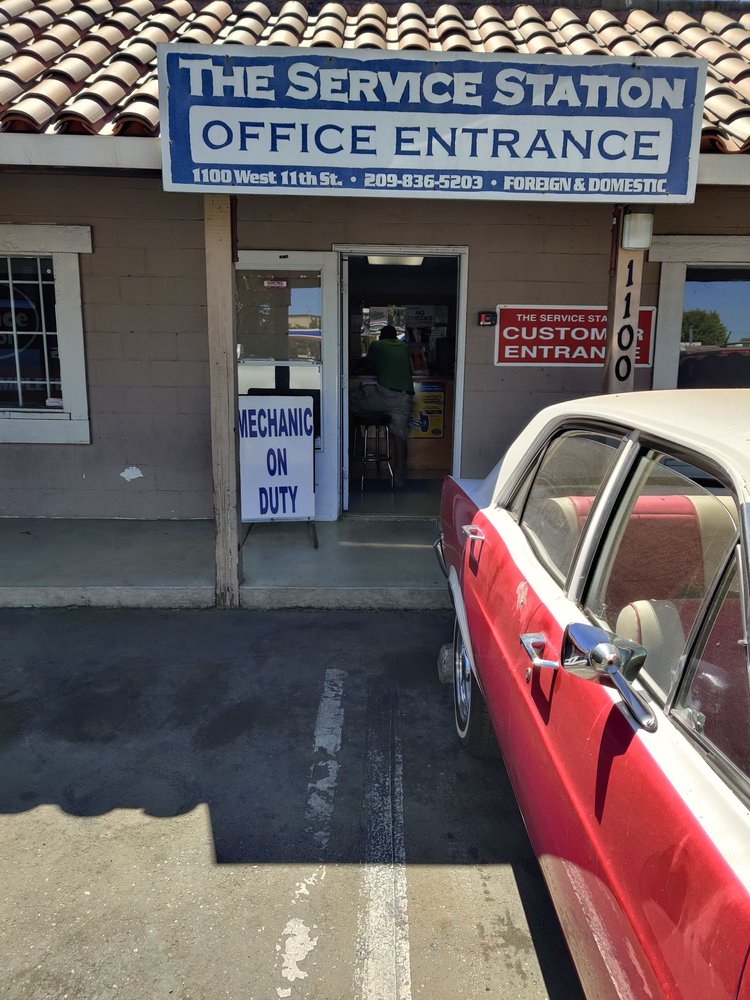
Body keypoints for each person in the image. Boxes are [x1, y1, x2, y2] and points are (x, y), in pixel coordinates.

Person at [350, 324, 414, 487]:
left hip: (383, 395)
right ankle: (399, 479)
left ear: (381, 337)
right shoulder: (404, 346)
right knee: (400, 435)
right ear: (395, 336)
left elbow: (369, 367)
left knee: (345, 402)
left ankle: (354, 455)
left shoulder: (377, 345)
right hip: (404, 397)